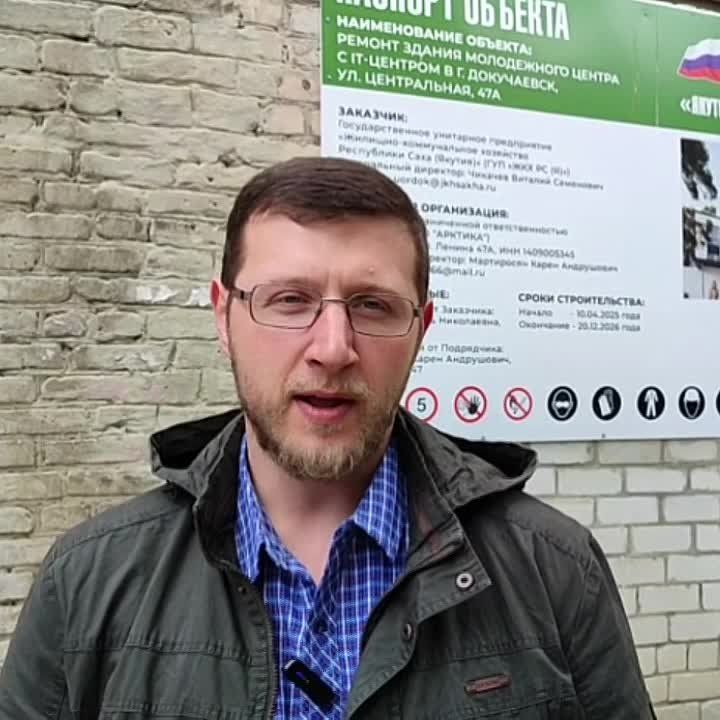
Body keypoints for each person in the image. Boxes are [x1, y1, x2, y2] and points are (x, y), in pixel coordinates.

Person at [0, 157, 655, 719]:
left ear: (421, 330)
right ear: (224, 317)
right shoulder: (88, 580)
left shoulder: (553, 570)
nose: (334, 348)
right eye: (290, 300)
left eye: (373, 305)